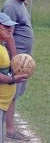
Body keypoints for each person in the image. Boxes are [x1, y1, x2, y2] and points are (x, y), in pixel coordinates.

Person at [1, 0, 34, 141]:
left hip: (21, 60)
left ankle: (9, 128)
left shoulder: (20, 3)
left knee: (14, 94)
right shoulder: (10, 6)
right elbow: (7, 34)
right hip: (14, 60)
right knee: (9, 95)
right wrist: (15, 61)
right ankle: (9, 129)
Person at [0, 12, 28, 143]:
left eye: (11, 27)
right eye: (6, 27)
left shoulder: (2, 46)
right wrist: (13, 80)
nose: (10, 30)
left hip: (3, 105)